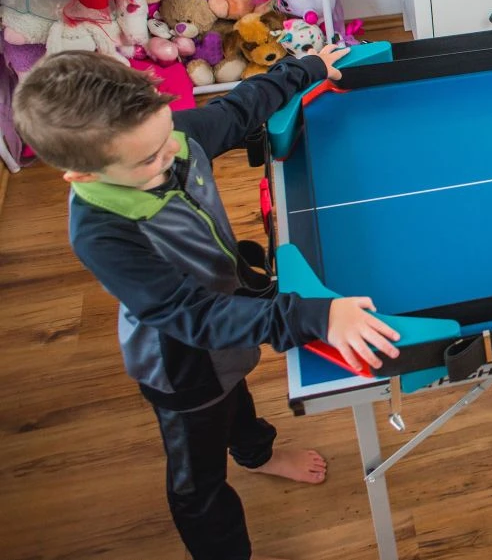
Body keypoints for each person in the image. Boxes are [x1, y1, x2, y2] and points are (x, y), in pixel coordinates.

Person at [13, 48, 401, 560]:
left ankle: (256, 455)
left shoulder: (169, 138)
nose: (170, 155)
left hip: (226, 316)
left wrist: (304, 68)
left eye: (167, 137)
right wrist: (316, 316)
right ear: (83, 175)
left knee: (236, 396)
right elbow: (192, 316)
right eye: (149, 160)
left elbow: (239, 108)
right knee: (197, 482)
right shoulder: (101, 235)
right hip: (182, 365)